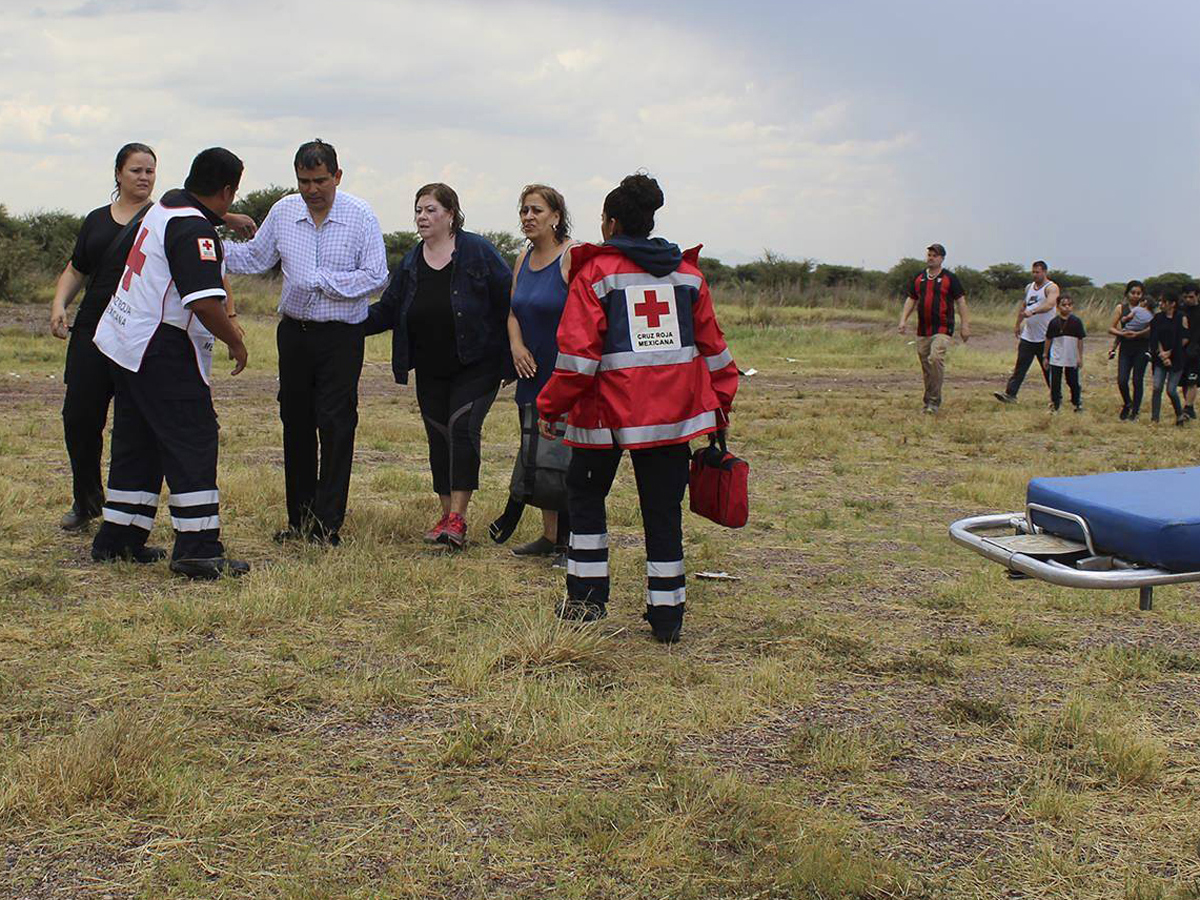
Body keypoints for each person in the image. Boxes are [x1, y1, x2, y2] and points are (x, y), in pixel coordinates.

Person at [537, 172, 739, 643]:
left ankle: (586, 604)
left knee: (586, 502)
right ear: (648, 223)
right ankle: (667, 616)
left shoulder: (596, 274)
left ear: (610, 223)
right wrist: (719, 406)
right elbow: (715, 352)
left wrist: (551, 407)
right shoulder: (689, 276)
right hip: (671, 420)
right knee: (663, 510)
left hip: (603, 416)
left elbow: (577, 359)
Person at [48, 144, 253, 532]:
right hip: (160, 347)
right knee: (192, 438)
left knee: (136, 441)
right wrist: (236, 340)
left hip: (122, 341)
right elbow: (205, 303)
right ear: (227, 191)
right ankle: (198, 546)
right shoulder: (192, 227)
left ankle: (120, 536)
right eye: (136, 170)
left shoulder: (163, 211)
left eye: (149, 171)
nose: (143, 178)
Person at [222, 140, 388, 546]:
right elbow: (255, 259)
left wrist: (321, 281)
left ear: (337, 176)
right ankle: (299, 519)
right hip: (294, 334)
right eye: (303, 181)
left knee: (335, 424)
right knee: (295, 422)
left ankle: (327, 525)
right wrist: (204, 246)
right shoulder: (283, 210)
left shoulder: (360, 215)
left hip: (341, 336)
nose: (311, 190)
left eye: (319, 181)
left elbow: (376, 276)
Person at [365, 183, 513, 549]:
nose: (422, 217)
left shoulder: (477, 251)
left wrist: (516, 351)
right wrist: (344, 323)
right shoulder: (412, 261)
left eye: (431, 210)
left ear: (451, 214)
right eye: (418, 210)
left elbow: (510, 299)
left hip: (477, 362)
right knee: (439, 438)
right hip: (429, 366)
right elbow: (388, 308)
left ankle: (459, 518)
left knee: (462, 428)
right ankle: (446, 514)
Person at [491, 184, 575, 563]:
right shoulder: (523, 258)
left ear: (556, 216)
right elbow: (512, 311)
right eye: (524, 210)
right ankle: (549, 535)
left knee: (563, 458)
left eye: (536, 210)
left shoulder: (571, 256)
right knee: (537, 453)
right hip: (529, 370)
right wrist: (516, 346)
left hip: (562, 373)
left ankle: (571, 543)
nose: (528, 217)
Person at [897, 243, 970, 413]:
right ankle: (929, 399)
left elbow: (961, 301)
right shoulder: (919, 277)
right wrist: (903, 320)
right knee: (926, 366)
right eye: (929, 254)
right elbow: (911, 299)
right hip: (923, 329)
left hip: (943, 328)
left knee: (936, 358)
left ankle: (934, 401)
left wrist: (965, 325)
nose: (931, 258)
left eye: (934, 255)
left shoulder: (949, 278)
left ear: (942, 258)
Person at [994, 260, 1058, 404]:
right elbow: (1023, 306)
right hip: (1029, 336)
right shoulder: (1029, 287)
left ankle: (1056, 397)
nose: (1035, 275)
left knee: (1048, 369)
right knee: (1020, 367)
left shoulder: (1051, 287)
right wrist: (1018, 324)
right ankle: (1010, 394)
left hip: (1045, 337)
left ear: (1045, 272)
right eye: (1033, 272)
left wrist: (1034, 311)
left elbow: (1050, 304)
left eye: (1038, 272)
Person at [1108, 280, 1153, 420]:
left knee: (1137, 380)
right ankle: (1128, 403)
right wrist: (1122, 334)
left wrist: (1138, 334)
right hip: (1126, 346)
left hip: (1142, 346)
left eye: (1138, 293)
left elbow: (1153, 328)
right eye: (1133, 293)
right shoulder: (1121, 308)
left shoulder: (1148, 309)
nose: (1135, 296)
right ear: (1127, 294)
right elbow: (1111, 328)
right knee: (1122, 379)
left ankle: (1135, 411)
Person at [1149, 293, 1187, 424]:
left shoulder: (1181, 317)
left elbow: (1184, 339)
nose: (1161, 304)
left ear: (1172, 304)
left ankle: (1179, 414)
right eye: (1160, 301)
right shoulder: (1158, 318)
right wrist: (1162, 354)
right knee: (1157, 387)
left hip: (1177, 358)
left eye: (1164, 302)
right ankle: (1154, 418)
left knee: (1171, 390)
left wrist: (1170, 354)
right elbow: (1155, 337)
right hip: (1160, 358)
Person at [1043, 293, 1085, 412]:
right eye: (1063, 305)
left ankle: (1077, 402)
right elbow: (1048, 339)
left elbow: (1080, 340)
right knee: (1055, 382)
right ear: (1058, 307)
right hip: (1056, 356)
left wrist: (1079, 357)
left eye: (1069, 305)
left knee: (1073, 381)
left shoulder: (1076, 322)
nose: (1067, 307)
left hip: (1071, 356)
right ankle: (1055, 404)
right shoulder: (1054, 322)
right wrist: (1045, 356)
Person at [1180, 283, 1200, 420]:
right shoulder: (1180, 311)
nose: (1188, 300)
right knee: (1184, 382)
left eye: (1191, 297)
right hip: (1182, 351)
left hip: (1197, 352)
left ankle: (1187, 407)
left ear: (1198, 296)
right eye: (1185, 297)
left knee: (1193, 381)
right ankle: (1189, 407)